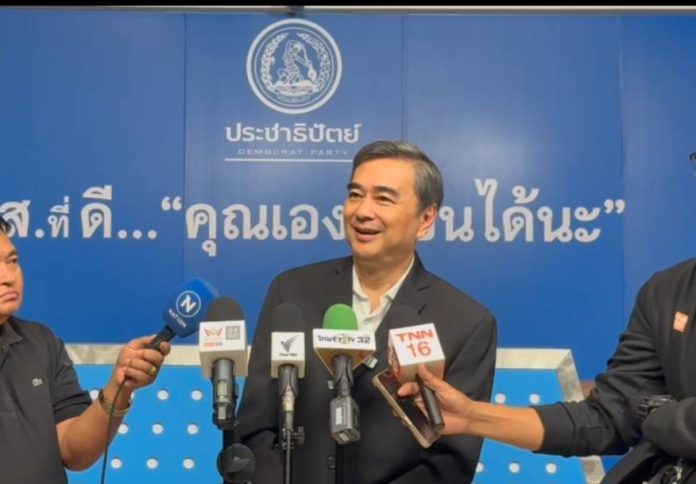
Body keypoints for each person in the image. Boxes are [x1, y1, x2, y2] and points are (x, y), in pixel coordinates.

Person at [238, 140, 498, 483]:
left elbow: (450, 464)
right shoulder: (291, 292)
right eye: (355, 194)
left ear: (426, 219)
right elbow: (254, 427)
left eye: (383, 198)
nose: (362, 211)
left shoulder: (466, 322)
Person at [398, 258, 696, 483]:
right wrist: (471, 416)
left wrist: (659, 417)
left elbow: (648, 415)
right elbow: (610, 416)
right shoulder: (669, 290)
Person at [0, 214, 171, 483]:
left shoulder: (41, 342)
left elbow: (73, 451)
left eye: (12, 261)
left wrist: (119, 387)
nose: (8, 277)